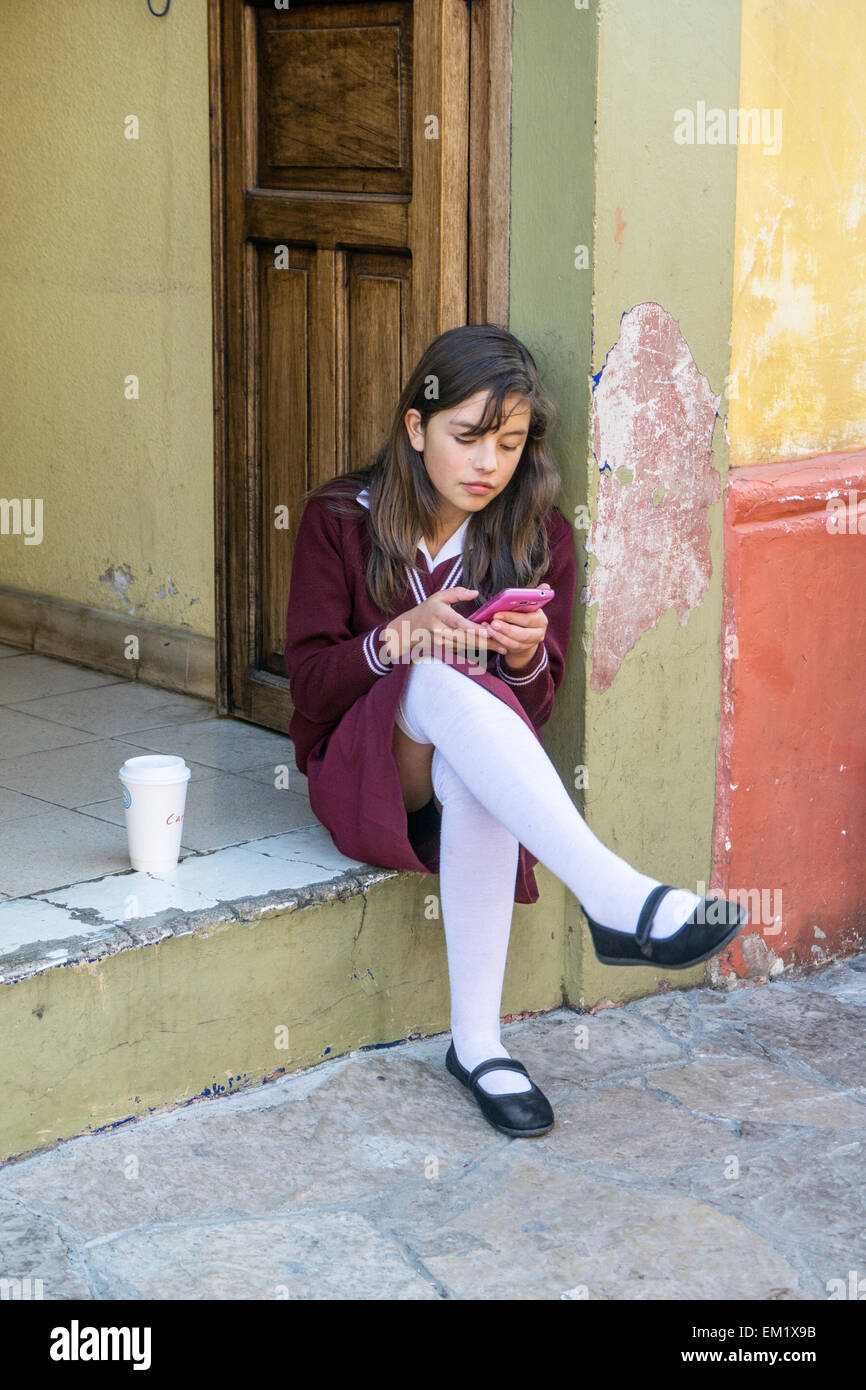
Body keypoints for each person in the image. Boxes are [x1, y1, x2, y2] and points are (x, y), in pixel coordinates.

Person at [283, 324, 747, 1139]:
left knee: (471, 764)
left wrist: (527, 660)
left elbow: (524, 718)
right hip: (362, 772)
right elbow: (312, 691)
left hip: (464, 774)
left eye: (509, 443)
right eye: (467, 438)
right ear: (416, 427)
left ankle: (479, 1044)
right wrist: (398, 637)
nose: (487, 465)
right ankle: (615, 897)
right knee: (432, 672)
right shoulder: (339, 520)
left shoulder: (537, 537)